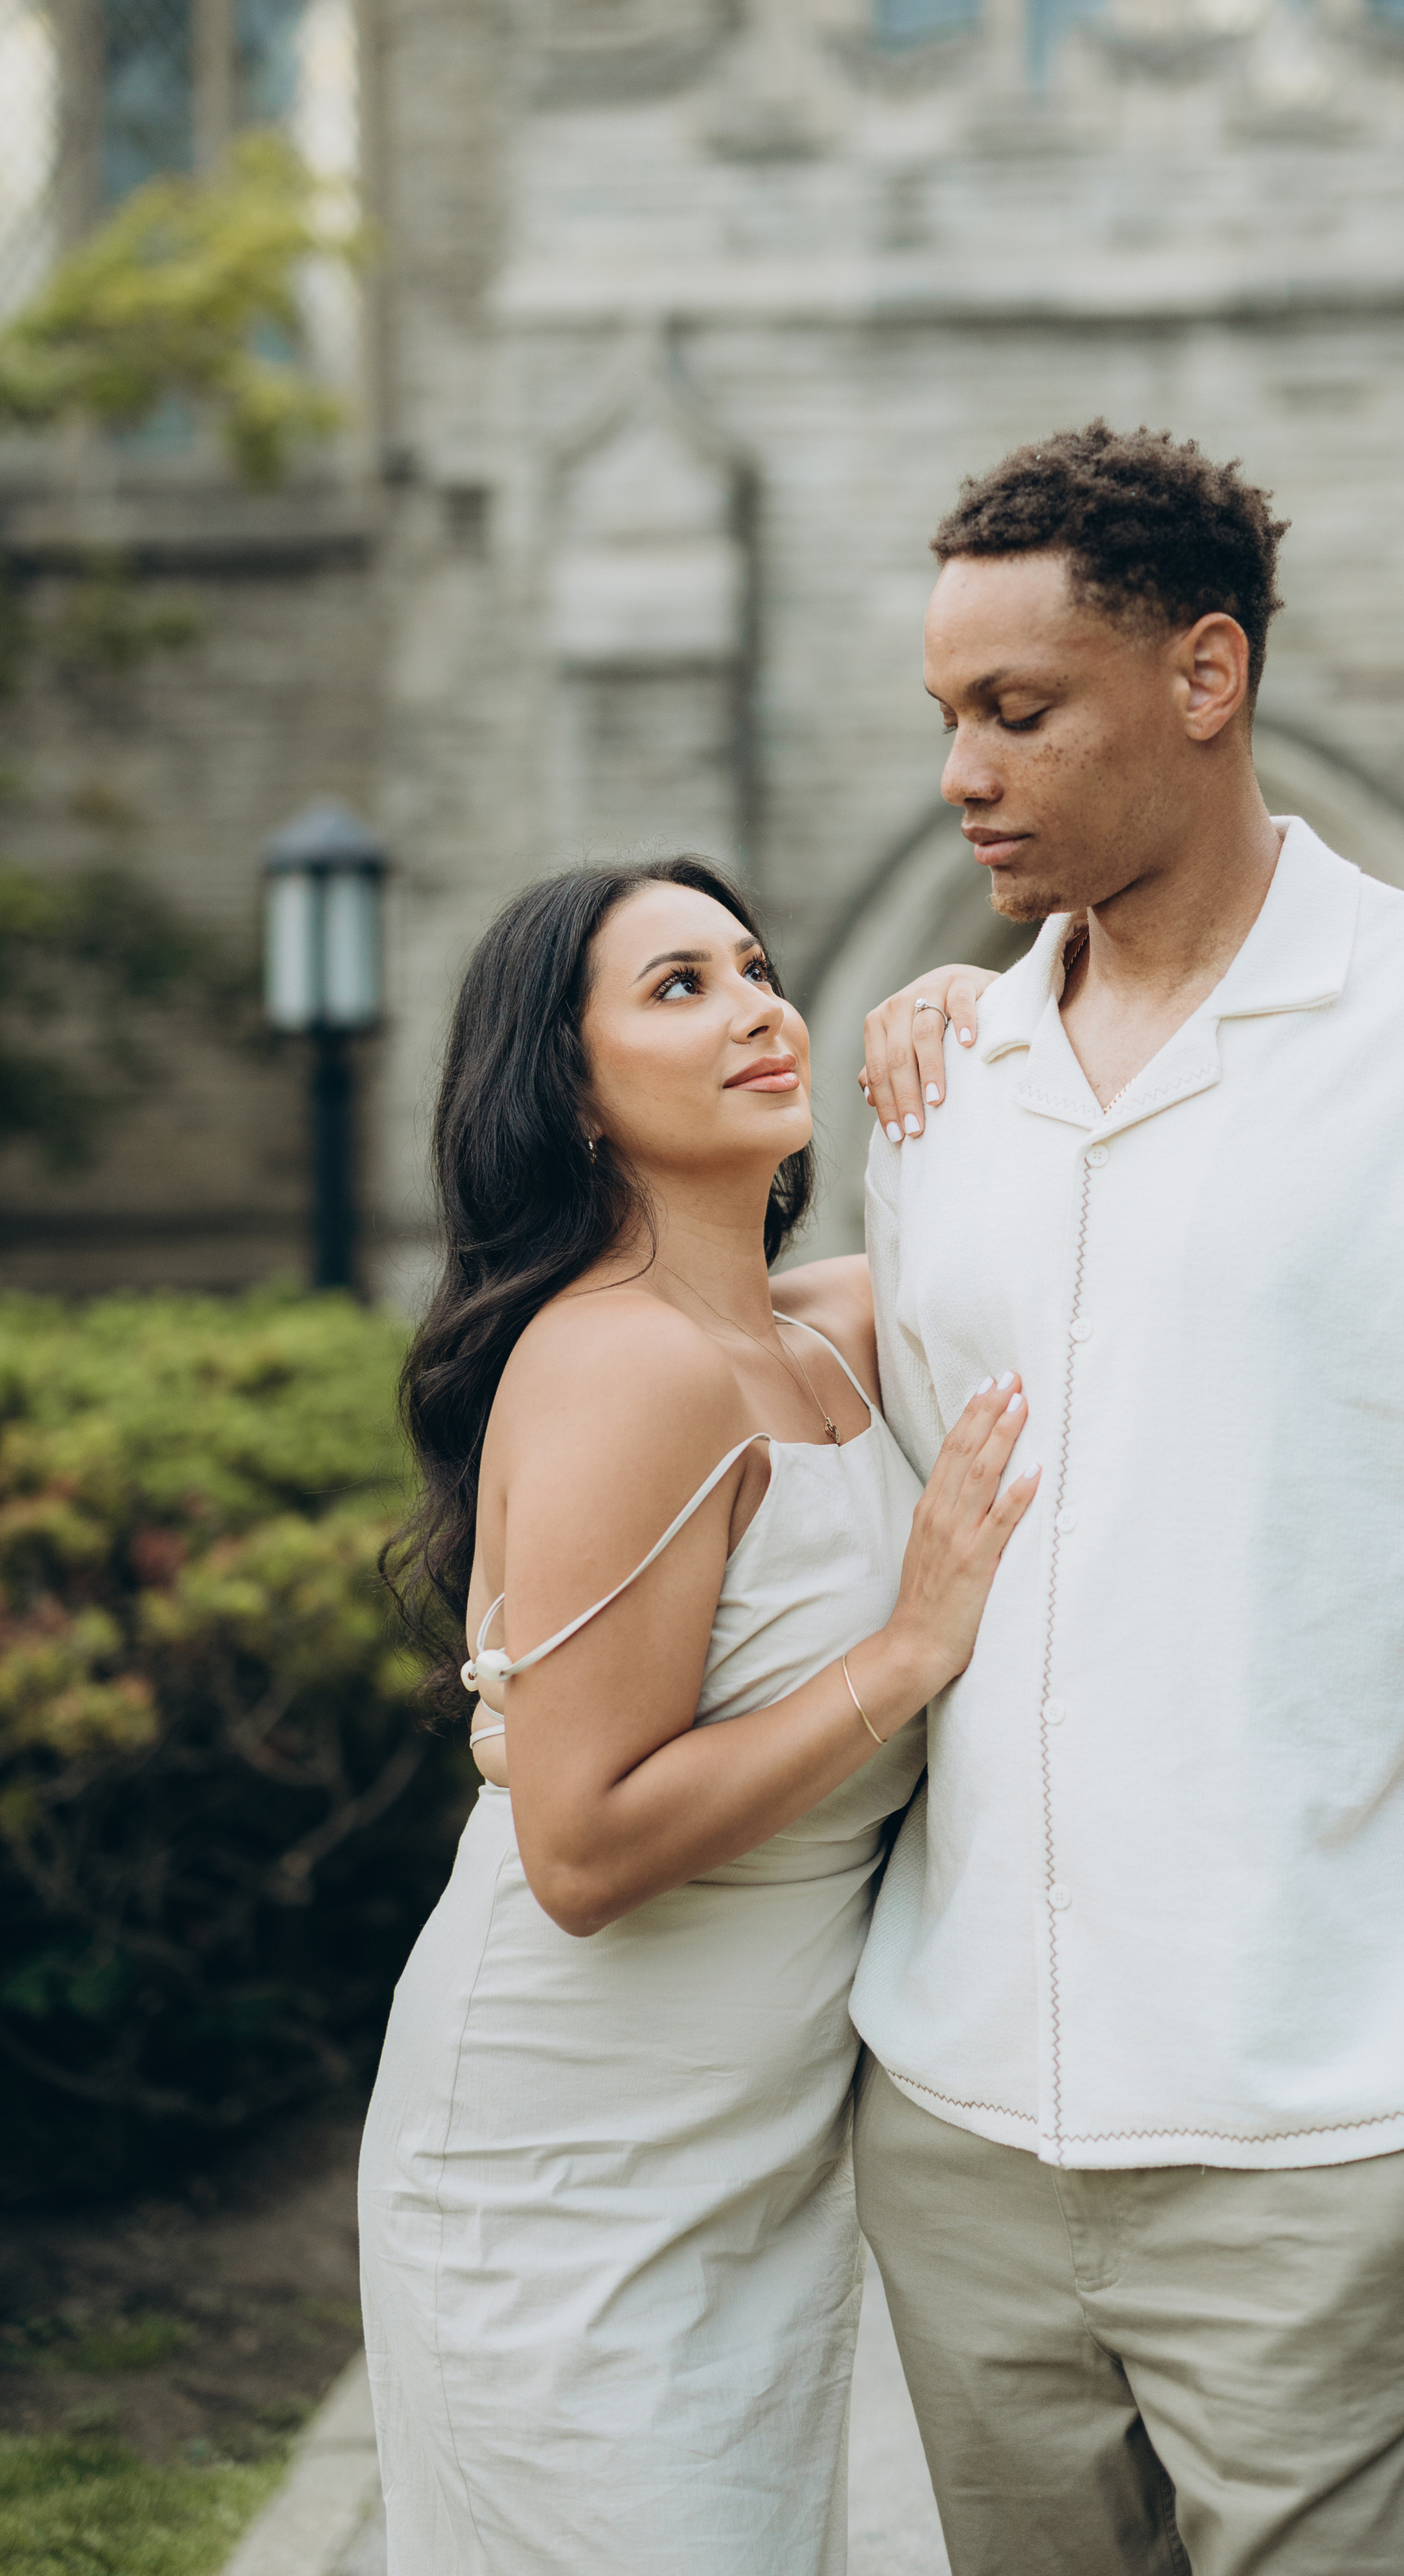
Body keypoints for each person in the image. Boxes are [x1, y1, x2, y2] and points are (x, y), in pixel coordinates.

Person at [851, 421, 1404, 2576]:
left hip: (1323, 2144)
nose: (963, 771)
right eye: (947, 718)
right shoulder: (940, 1081)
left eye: (1018, 710)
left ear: (1206, 677)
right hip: (964, 2135)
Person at [358, 855, 1037, 2576]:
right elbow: (578, 1848)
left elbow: (1029, 1253)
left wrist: (989, 1019)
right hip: (562, 2161)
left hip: (741, 2161)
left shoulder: (806, 1338)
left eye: (754, 966)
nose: (752, 1007)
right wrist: (906, 1648)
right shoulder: (618, 1365)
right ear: (568, 1095)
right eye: (675, 988)